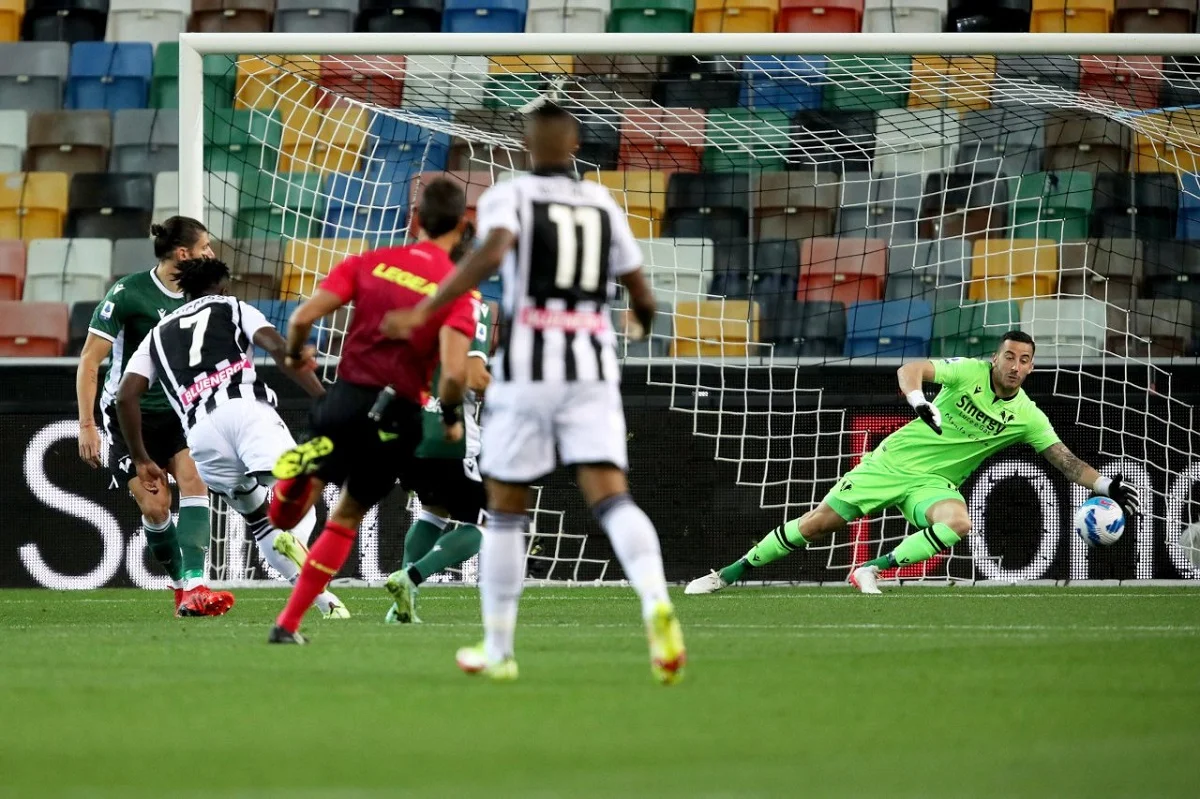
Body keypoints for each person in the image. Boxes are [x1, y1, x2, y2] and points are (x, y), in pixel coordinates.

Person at [379, 102, 685, 685]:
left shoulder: (510, 196)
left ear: (526, 144)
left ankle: (499, 647)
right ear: (575, 144)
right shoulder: (602, 203)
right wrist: (641, 323)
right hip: (592, 363)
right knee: (612, 497)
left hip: (529, 362)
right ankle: (655, 601)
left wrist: (426, 308)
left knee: (503, 510)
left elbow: (493, 252)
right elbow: (642, 294)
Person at [685, 332, 1143, 595]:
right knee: (818, 524)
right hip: (890, 463)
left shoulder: (1028, 416)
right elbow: (910, 369)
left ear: (1030, 369)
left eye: (1024, 361)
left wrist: (1105, 486)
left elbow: (1065, 461)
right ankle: (727, 574)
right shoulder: (967, 372)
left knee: (958, 522)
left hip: (934, 483)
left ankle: (870, 569)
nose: (1015, 365)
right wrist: (919, 401)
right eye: (1009, 356)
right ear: (996, 358)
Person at [265, 177, 479, 644]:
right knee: (346, 518)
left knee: (283, 518)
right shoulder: (459, 292)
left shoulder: (371, 261)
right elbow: (452, 374)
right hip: (399, 413)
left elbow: (301, 318)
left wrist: (296, 353)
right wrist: (449, 418)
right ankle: (286, 625)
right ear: (462, 226)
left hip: (346, 397)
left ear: (415, 220)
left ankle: (295, 478)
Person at [115, 258, 349, 618]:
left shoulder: (157, 334)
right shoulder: (232, 306)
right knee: (299, 486)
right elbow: (278, 348)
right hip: (245, 410)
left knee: (257, 517)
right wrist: (322, 397)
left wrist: (142, 458)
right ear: (223, 287)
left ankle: (326, 604)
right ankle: (295, 539)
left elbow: (125, 395)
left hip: (202, 435)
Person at [77, 217, 228, 616]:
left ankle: (196, 585)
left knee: (194, 482)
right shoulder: (129, 293)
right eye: (205, 247)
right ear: (183, 254)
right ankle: (180, 584)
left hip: (181, 410)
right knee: (156, 508)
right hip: (130, 415)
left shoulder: (203, 296)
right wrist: (87, 424)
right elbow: (90, 359)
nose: (211, 253)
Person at [384, 289, 493, 624]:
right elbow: (474, 376)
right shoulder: (471, 304)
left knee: (434, 511)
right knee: (485, 523)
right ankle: (411, 577)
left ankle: (402, 607)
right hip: (446, 430)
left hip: (405, 426)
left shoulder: (413, 300)